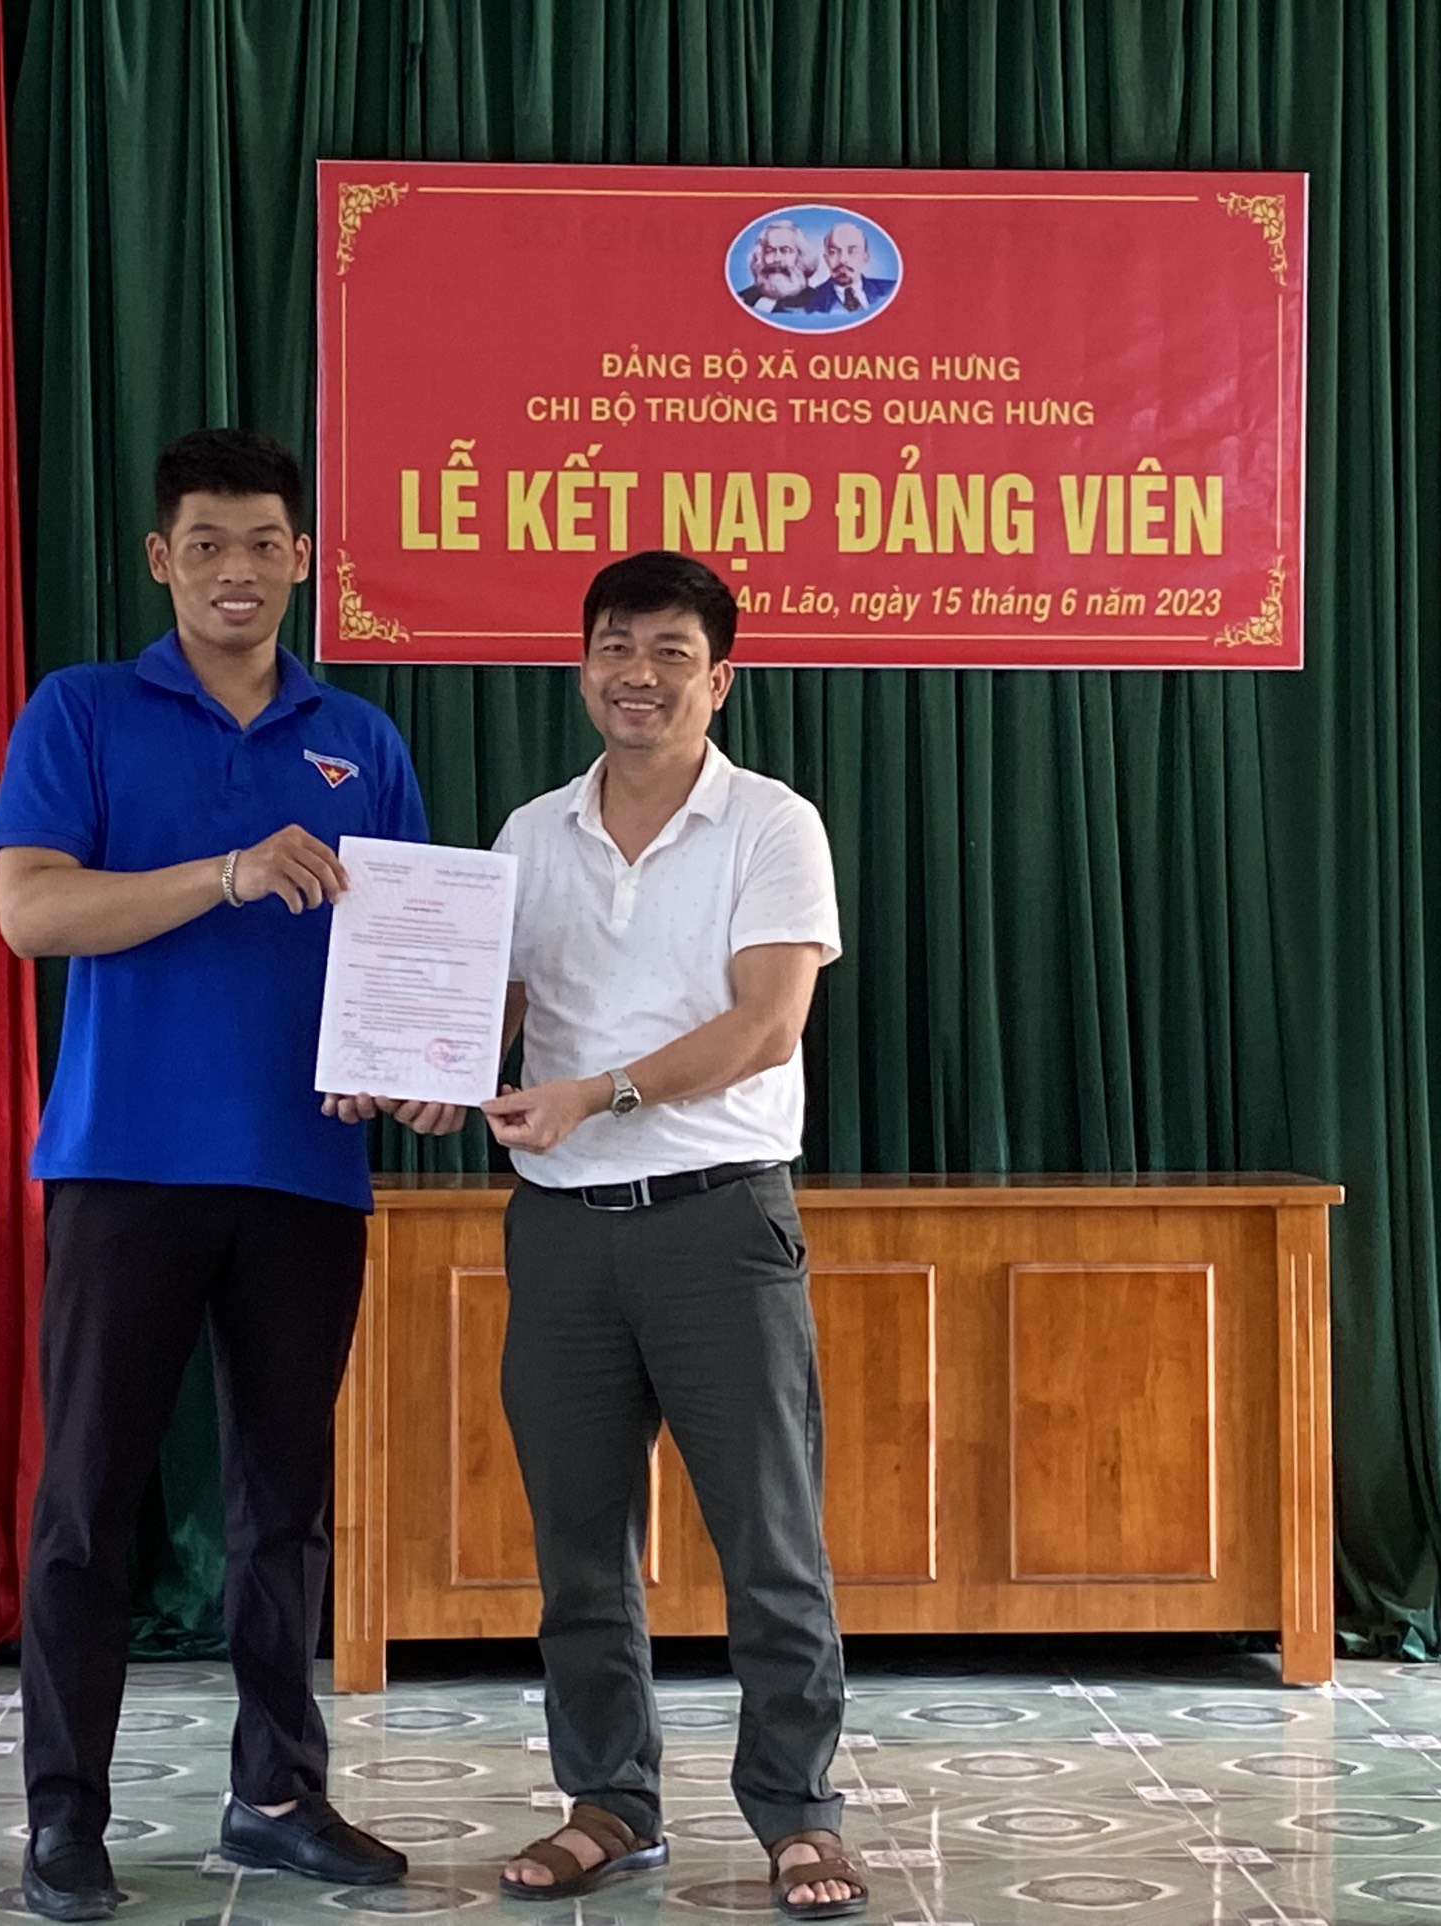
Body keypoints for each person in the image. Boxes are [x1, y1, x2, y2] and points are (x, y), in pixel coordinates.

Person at [0, 428, 462, 1921]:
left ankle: (276, 1793)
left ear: (303, 558)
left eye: (264, 542)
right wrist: (230, 871)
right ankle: (64, 1816)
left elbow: (409, 947)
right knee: (89, 1499)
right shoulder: (80, 710)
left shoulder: (361, 737)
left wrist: (421, 1071)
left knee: (283, 1503)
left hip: (305, 1171)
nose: (236, 570)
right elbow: (32, 913)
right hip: (124, 1163)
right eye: (206, 544)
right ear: (161, 560)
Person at [480, 552, 865, 1920]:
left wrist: (598, 1093)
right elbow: (491, 1016)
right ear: (583, 663)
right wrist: (410, 1070)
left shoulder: (772, 824)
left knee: (770, 1540)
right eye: (614, 646)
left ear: (720, 679)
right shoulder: (530, 834)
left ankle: (800, 1814)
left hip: (719, 1224)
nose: (636, 674)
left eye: (669, 652)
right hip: (561, 1233)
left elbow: (767, 1024)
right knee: (579, 1549)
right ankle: (608, 1802)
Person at [736, 219, 824, 315]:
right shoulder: (742, 298)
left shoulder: (819, 302)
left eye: (785, 250)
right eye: (770, 251)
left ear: (800, 257)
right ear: (760, 257)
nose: (777, 259)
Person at [817, 223, 897, 317]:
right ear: (826, 260)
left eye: (852, 251)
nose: (842, 259)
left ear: (865, 258)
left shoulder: (892, 290)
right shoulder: (810, 302)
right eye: (833, 252)